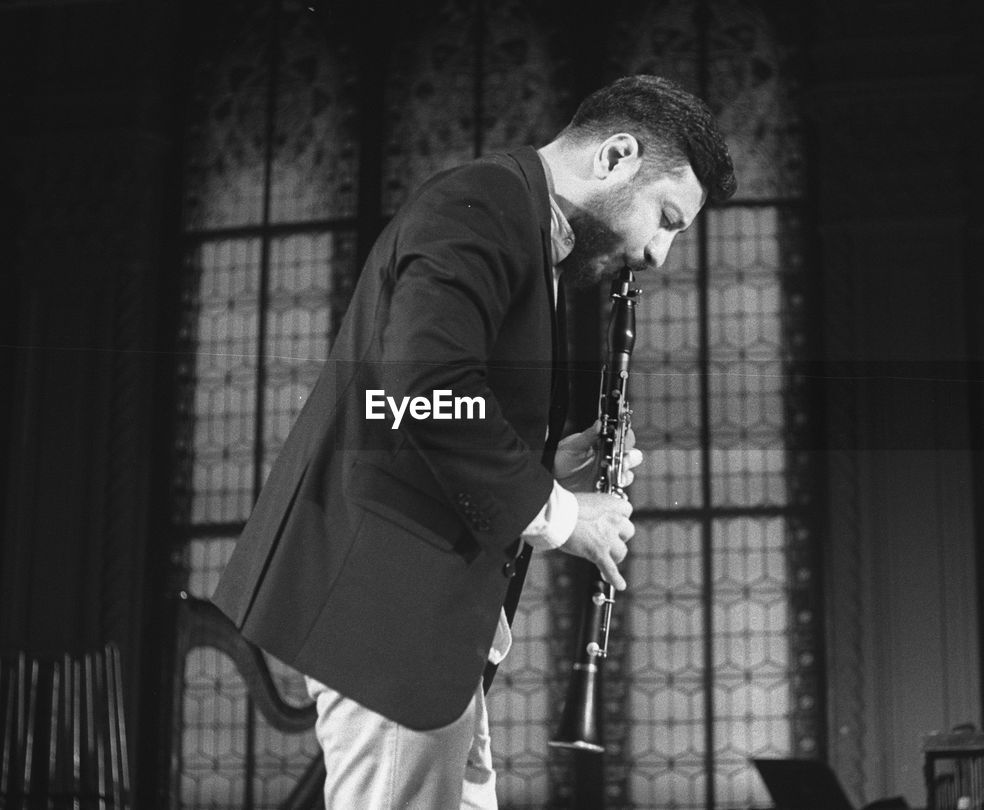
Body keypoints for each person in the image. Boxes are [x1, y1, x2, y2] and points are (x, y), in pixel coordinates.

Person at [211, 74, 736, 809]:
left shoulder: (518, 223)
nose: (659, 255)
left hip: (420, 622)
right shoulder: (483, 205)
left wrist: (547, 466)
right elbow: (422, 386)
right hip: (390, 614)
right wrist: (559, 512)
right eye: (667, 217)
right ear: (617, 156)